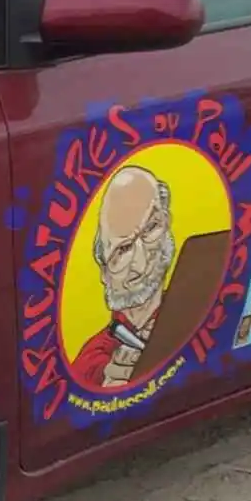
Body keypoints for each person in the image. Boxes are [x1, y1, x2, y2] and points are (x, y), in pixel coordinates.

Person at [71, 166, 176, 389]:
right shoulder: (91, 361)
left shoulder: (193, 302)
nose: (141, 263)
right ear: (104, 272)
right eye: (123, 249)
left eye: (151, 228)